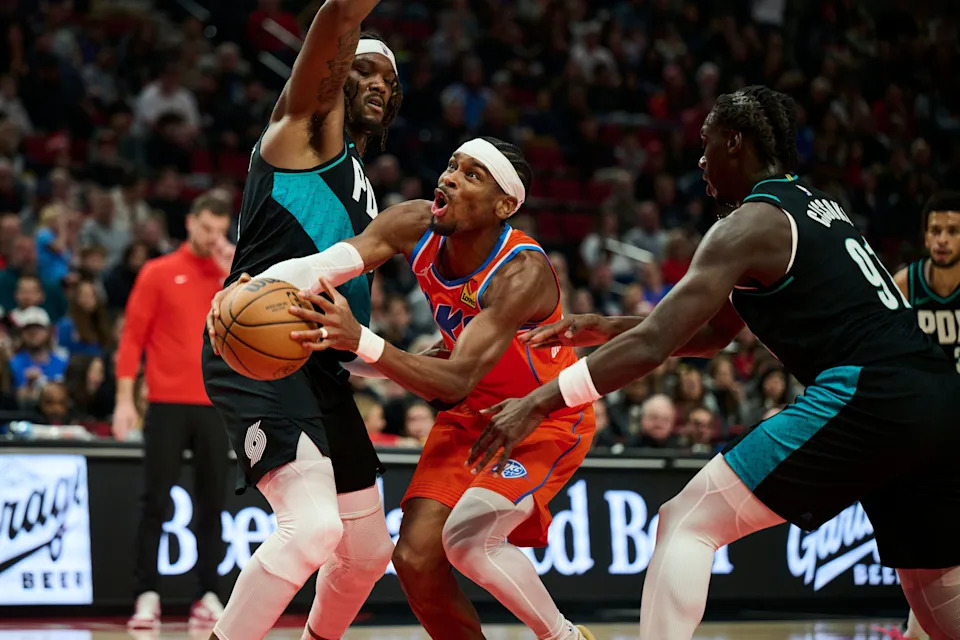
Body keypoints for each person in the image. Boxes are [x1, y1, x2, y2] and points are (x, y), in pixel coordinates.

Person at [470, 86, 960, 640]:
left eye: (706, 145)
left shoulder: (749, 224)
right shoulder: (821, 207)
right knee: (932, 583)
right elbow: (714, 333)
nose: (700, 161)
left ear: (734, 141)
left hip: (873, 392)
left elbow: (657, 343)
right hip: (939, 397)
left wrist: (538, 401)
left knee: (686, 522)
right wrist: (603, 327)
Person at [237, 136, 597, 640]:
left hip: (541, 416)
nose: (448, 177)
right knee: (412, 559)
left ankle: (563, 636)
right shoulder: (415, 222)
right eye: (452, 165)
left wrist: (360, 339)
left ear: (505, 205)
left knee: (470, 541)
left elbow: (453, 380)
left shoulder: (521, 272)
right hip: (470, 414)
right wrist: (251, 289)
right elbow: (324, 266)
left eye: (472, 175)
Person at [199, 2, 402, 638]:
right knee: (312, 527)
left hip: (320, 364)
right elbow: (339, 16)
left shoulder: (360, 179)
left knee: (368, 553)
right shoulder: (298, 134)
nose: (376, 84)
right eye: (362, 71)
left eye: (388, 81)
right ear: (335, 77)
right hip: (259, 345)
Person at [114, 193, 233, 629]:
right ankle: (147, 594)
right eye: (206, 228)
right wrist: (125, 399)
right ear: (190, 223)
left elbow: (259, 311)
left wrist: (231, 270)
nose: (211, 237)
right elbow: (132, 338)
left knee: (212, 504)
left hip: (215, 406)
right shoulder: (158, 272)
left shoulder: (230, 276)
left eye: (220, 230)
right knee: (155, 501)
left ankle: (209, 594)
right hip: (165, 403)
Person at [885, 192, 960, 640]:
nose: (943, 239)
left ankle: (921, 626)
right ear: (924, 235)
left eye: (952, 230)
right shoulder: (905, 285)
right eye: (936, 230)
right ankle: (920, 621)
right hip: (922, 426)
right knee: (927, 540)